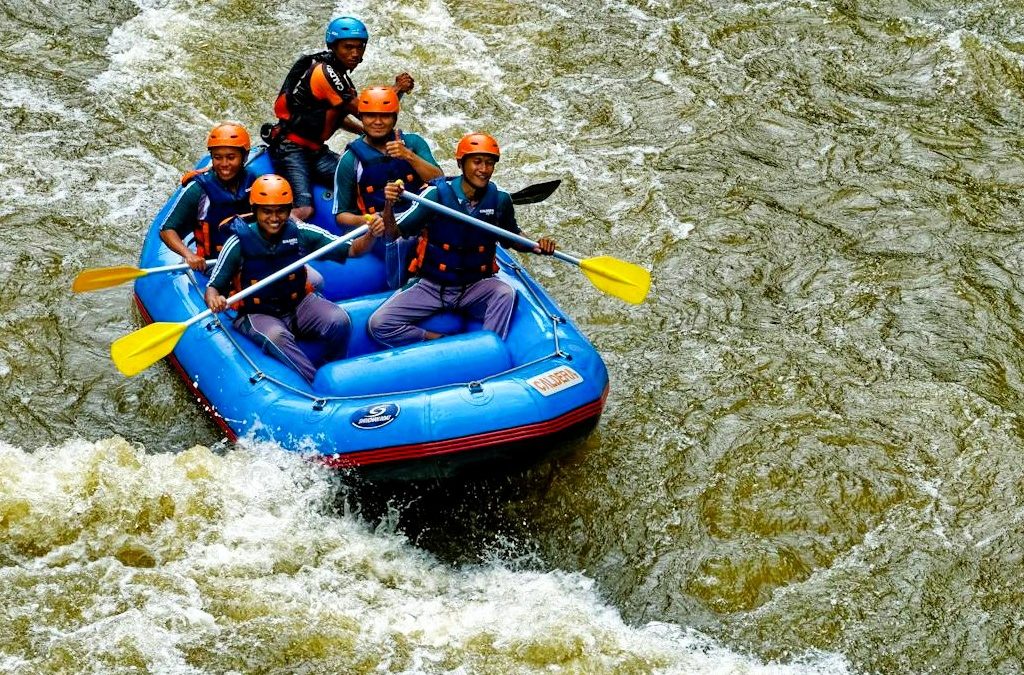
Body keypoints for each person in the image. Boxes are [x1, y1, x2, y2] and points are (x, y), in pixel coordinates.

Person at [367, 133, 556, 347]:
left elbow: (512, 237)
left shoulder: (500, 200)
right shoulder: (435, 196)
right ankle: (439, 340)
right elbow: (393, 234)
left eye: (489, 163)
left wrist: (535, 246)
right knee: (378, 323)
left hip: (475, 286)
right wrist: (389, 204)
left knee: (505, 293)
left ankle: (486, 348)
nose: (484, 169)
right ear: (461, 163)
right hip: (432, 286)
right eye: (477, 162)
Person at [205, 174, 384, 383]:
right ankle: (314, 383)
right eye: (267, 211)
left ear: (289, 210)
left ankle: (331, 368)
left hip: (297, 303)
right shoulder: (237, 243)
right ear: (255, 210)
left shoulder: (300, 232)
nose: (274, 218)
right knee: (277, 336)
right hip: (257, 312)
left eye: (281, 211)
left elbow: (353, 249)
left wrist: (371, 235)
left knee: (339, 320)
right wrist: (215, 300)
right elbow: (213, 287)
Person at [265, 16, 414, 222]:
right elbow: (366, 109)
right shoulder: (325, 73)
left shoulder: (339, 75)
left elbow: (337, 115)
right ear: (333, 47)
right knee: (304, 210)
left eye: (359, 47)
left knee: (357, 179)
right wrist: (397, 89)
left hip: (315, 151)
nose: (355, 53)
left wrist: (363, 130)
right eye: (348, 47)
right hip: (291, 149)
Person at [332, 85, 443, 287]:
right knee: (400, 240)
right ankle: (402, 286)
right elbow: (341, 216)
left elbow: (438, 180)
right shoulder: (350, 161)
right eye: (370, 116)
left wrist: (409, 156)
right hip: (381, 229)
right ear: (361, 118)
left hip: (419, 219)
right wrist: (367, 220)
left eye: (384, 116)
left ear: (394, 118)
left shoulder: (413, 143)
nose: (377, 122)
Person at [159, 122, 257, 271]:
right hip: (214, 263)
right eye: (218, 158)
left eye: (231, 157)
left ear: (245, 157)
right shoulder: (198, 190)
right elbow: (166, 229)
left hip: (250, 255)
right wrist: (189, 255)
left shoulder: (254, 181)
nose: (224, 164)